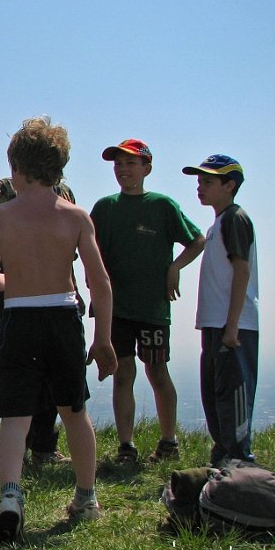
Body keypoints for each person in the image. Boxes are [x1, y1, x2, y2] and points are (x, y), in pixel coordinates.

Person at [0, 116, 117, 543]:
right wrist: (104, 339)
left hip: (19, 318)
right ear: (59, 168)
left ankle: (10, 496)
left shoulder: (1, 216)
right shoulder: (76, 217)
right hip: (62, 316)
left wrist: (13, 283)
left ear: (16, 168)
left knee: (15, 417)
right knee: (74, 412)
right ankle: (86, 498)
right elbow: (100, 283)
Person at [90, 139, 205, 465]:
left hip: (153, 307)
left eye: (130, 163)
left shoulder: (162, 205)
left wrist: (175, 267)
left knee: (156, 370)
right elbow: (89, 250)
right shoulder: (105, 207)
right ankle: (126, 446)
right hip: (117, 307)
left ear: (146, 168)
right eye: (118, 164)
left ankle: (169, 441)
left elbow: (197, 239)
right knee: (122, 372)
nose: (123, 169)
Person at [0, 177, 81, 466]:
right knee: (19, 372)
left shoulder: (64, 192)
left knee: (52, 372)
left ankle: (44, 446)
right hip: (15, 294)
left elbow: (67, 257)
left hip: (56, 293)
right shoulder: (6, 191)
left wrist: (74, 291)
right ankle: (20, 450)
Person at [182, 155, 258, 466]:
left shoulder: (234, 219)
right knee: (215, 397)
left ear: (230, 186)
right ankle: (224, 460)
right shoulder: (217, 224)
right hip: (215, 325)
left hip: (233, 328)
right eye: (199, 181)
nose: (200, 187)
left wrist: (232, 326)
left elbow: (242, 272)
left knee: (232, 400)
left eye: (208, 182)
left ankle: (239, 462)